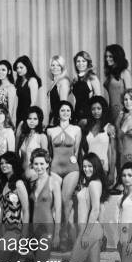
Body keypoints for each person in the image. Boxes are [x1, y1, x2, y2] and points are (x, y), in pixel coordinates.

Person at [60, 153, 109, 262]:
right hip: (92, 229)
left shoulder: (95, 183)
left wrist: (87, 234)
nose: (87, 169)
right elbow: (99, 208)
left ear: (96, 167)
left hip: (89, 230)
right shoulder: (90, 183)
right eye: (85, 166)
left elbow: (95, 209)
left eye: (91, 166)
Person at [28, 149, 61, 262]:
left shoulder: (54, 183)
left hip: (47, 229)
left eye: (42, 163)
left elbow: (60, 211)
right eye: (36, 164)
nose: (39, 167)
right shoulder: (32, 183)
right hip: (34, 230)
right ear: (32, 165)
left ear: (47, 164)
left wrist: (57, 233)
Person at [47, 101, 81, 239]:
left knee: (65, 199)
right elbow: (49, 152)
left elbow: (77, 152)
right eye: (62, 110)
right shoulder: (50, 131)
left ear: (71, 113)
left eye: (68, 110)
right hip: (55, 168)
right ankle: (54, 233)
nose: (65, 113)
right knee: (55, 201)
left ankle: (64, 231)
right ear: (58, 113)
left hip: (71, 168)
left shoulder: (76, 129)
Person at [82, 96, 116, 184]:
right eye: (93, 109)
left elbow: (113, 152)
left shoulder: (109, 127)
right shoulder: (85, 125)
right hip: (88, 168)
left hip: (104, 167)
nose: (96, 111)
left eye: (99, 108)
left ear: (103, 110)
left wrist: (112, 173)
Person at [71, 51, 103, 127]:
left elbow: (99, 99)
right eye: (78, 61)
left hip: (88, 115)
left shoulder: (92, 77)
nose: (80, 63)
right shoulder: (75, 79)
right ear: (75, 63)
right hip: (77, 113)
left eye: (83, 61)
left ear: (88, 63)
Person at [16, 106, 49, 180]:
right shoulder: (24, 136)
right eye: (29, 118)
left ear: (39, 120)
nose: (32, 121)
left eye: (35, 119)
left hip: (36, 176)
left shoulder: (41, 136)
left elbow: (46, 159)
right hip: (23, 175)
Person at [103, 44, 132, 124]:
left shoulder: (125, 73)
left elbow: (130, 95)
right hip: (111, 111)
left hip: (121, 112)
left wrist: (128, 113)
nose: (107, 59)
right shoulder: (110, 73)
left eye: (110, 56)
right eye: (106, 56)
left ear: (117, 57)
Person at [13, 55, 43, 127]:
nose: (19, 70)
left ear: (27, 67)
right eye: (17, 68)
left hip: (27, 114)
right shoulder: (20, 81)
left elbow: (33, 102)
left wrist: (28, 118)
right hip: (19, 112)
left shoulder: (32, 80)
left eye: (21, 67)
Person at [47, 55, 71, 127]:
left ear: (62, 67)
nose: (55, 67)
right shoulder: (54, 81)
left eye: (58, 65)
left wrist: (55, 120)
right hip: (54, 116)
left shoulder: (63, 81)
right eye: (52, 65)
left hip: (59, 119)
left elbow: (63, 104)